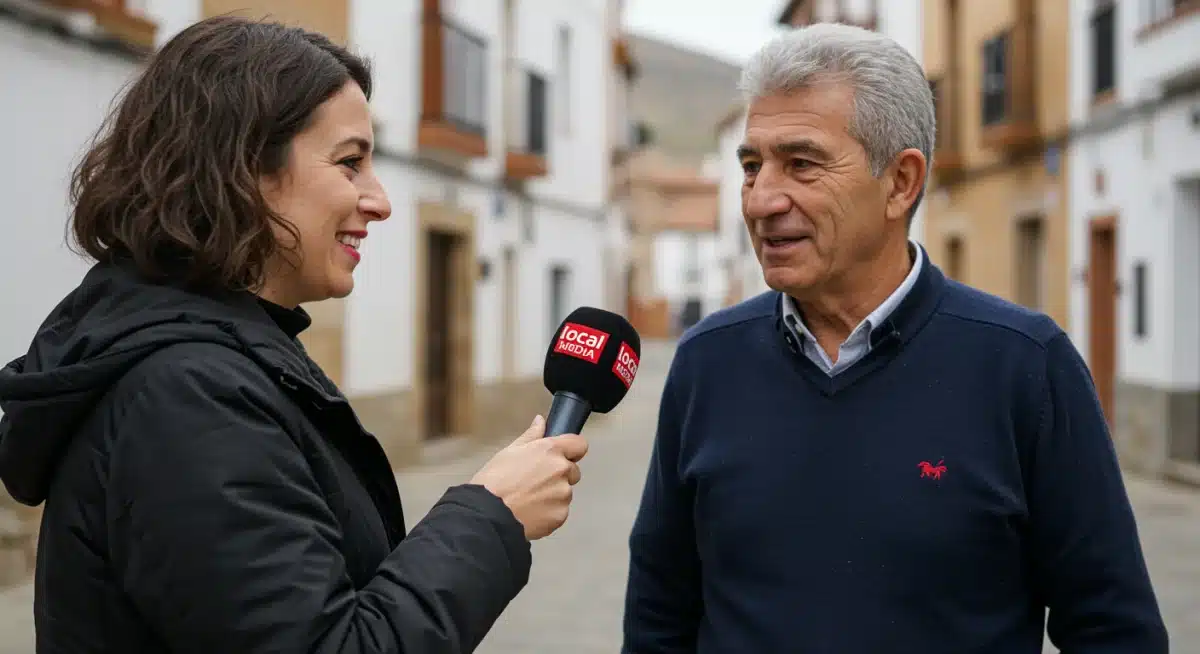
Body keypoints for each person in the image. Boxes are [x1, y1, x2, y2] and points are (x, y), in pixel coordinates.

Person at [0, 16, 588, 654]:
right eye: (350, 163)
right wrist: (491, 516)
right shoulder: (187, 398)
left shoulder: (216, 363)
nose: (380, 200)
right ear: (243, 169)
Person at [621, 23, 1168, 654]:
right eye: (752, 166)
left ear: (901, 183)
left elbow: (1114, 631)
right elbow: (659, 616)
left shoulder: (1026, 367)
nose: (761, 199)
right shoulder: (704, 364)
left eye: (801, 163)